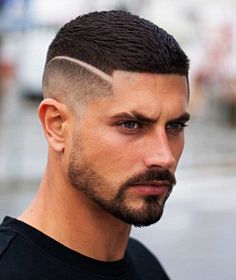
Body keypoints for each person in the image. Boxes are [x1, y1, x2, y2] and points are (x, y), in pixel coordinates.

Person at [0, 10, 190, 279]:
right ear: (56, 125)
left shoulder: (147, 266)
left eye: (175, 126)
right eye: (130, 125)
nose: (164, 156)